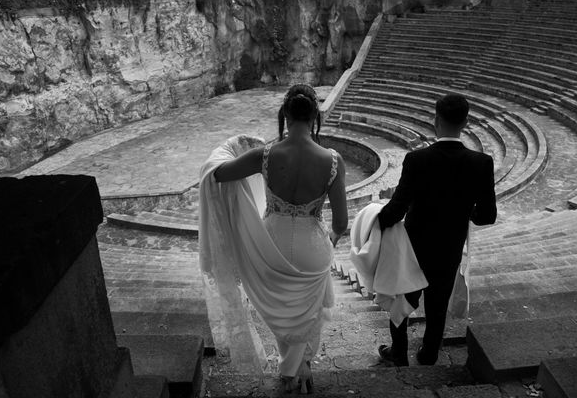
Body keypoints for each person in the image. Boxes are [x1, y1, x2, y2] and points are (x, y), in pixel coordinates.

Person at [210, 84, 348, 393]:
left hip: (270, 244)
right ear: (315, 116)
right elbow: (341, 222)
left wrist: (231, 146)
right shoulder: (333, 161)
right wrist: (330, 243)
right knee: (308, 311)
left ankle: (289, 372)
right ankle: (303, 365)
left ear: (284, 114)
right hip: (313, 246)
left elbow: (217, 174)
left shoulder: (265, 155)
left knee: (283, 312)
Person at [376, 93, 497, 366]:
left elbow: (396, 209)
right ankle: (429, 354)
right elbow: (487, 216)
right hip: (449, 248)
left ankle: (399, 354)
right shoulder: (481, 163)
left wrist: (374, 223)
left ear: (435, 120)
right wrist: (465, 212)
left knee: (402, 302)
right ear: (465, 123)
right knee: (438, 304)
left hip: (413, 248)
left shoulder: (417, 160)